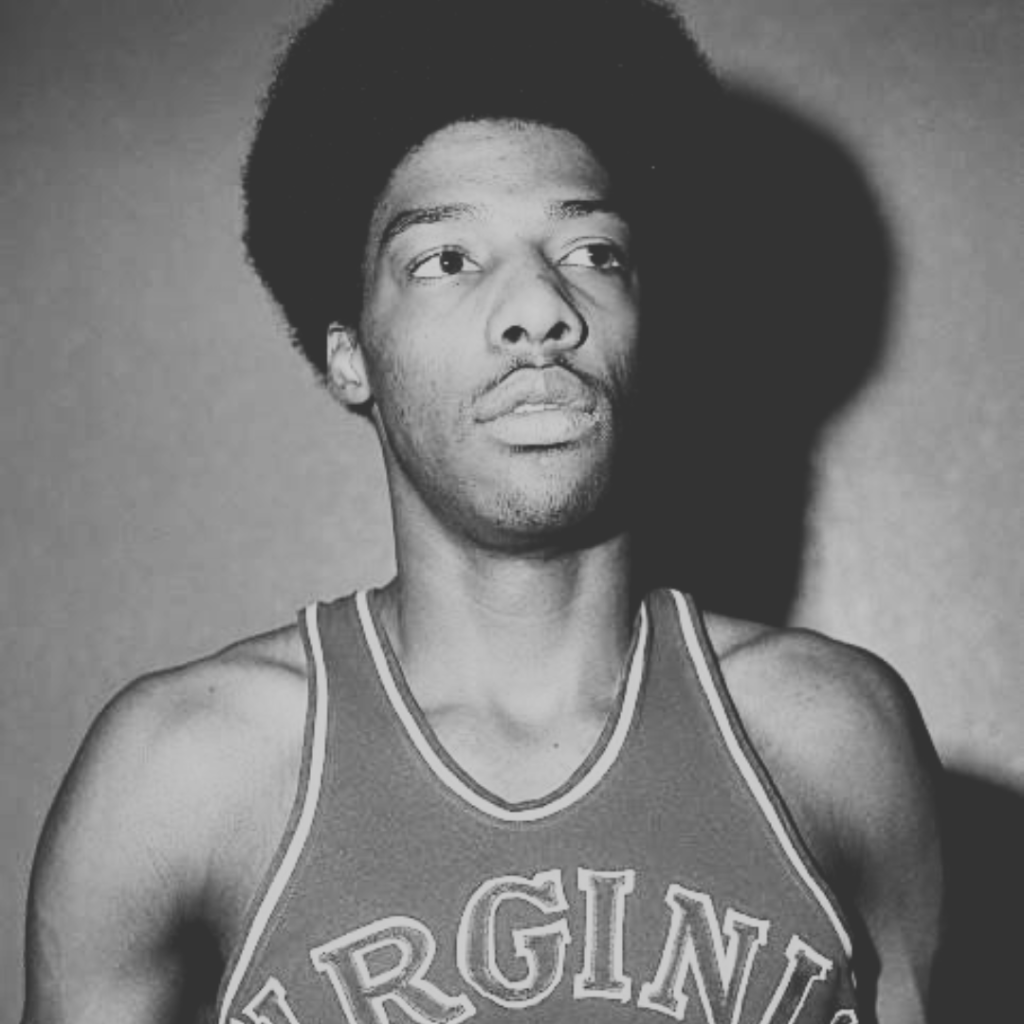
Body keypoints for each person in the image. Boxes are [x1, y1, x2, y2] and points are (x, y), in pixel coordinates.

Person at [20, 1, 943, 1022]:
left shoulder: (837, 739)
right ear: (350, 354)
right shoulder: (181, 773)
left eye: (591, 251)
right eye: (447, 260)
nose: (540, 306)